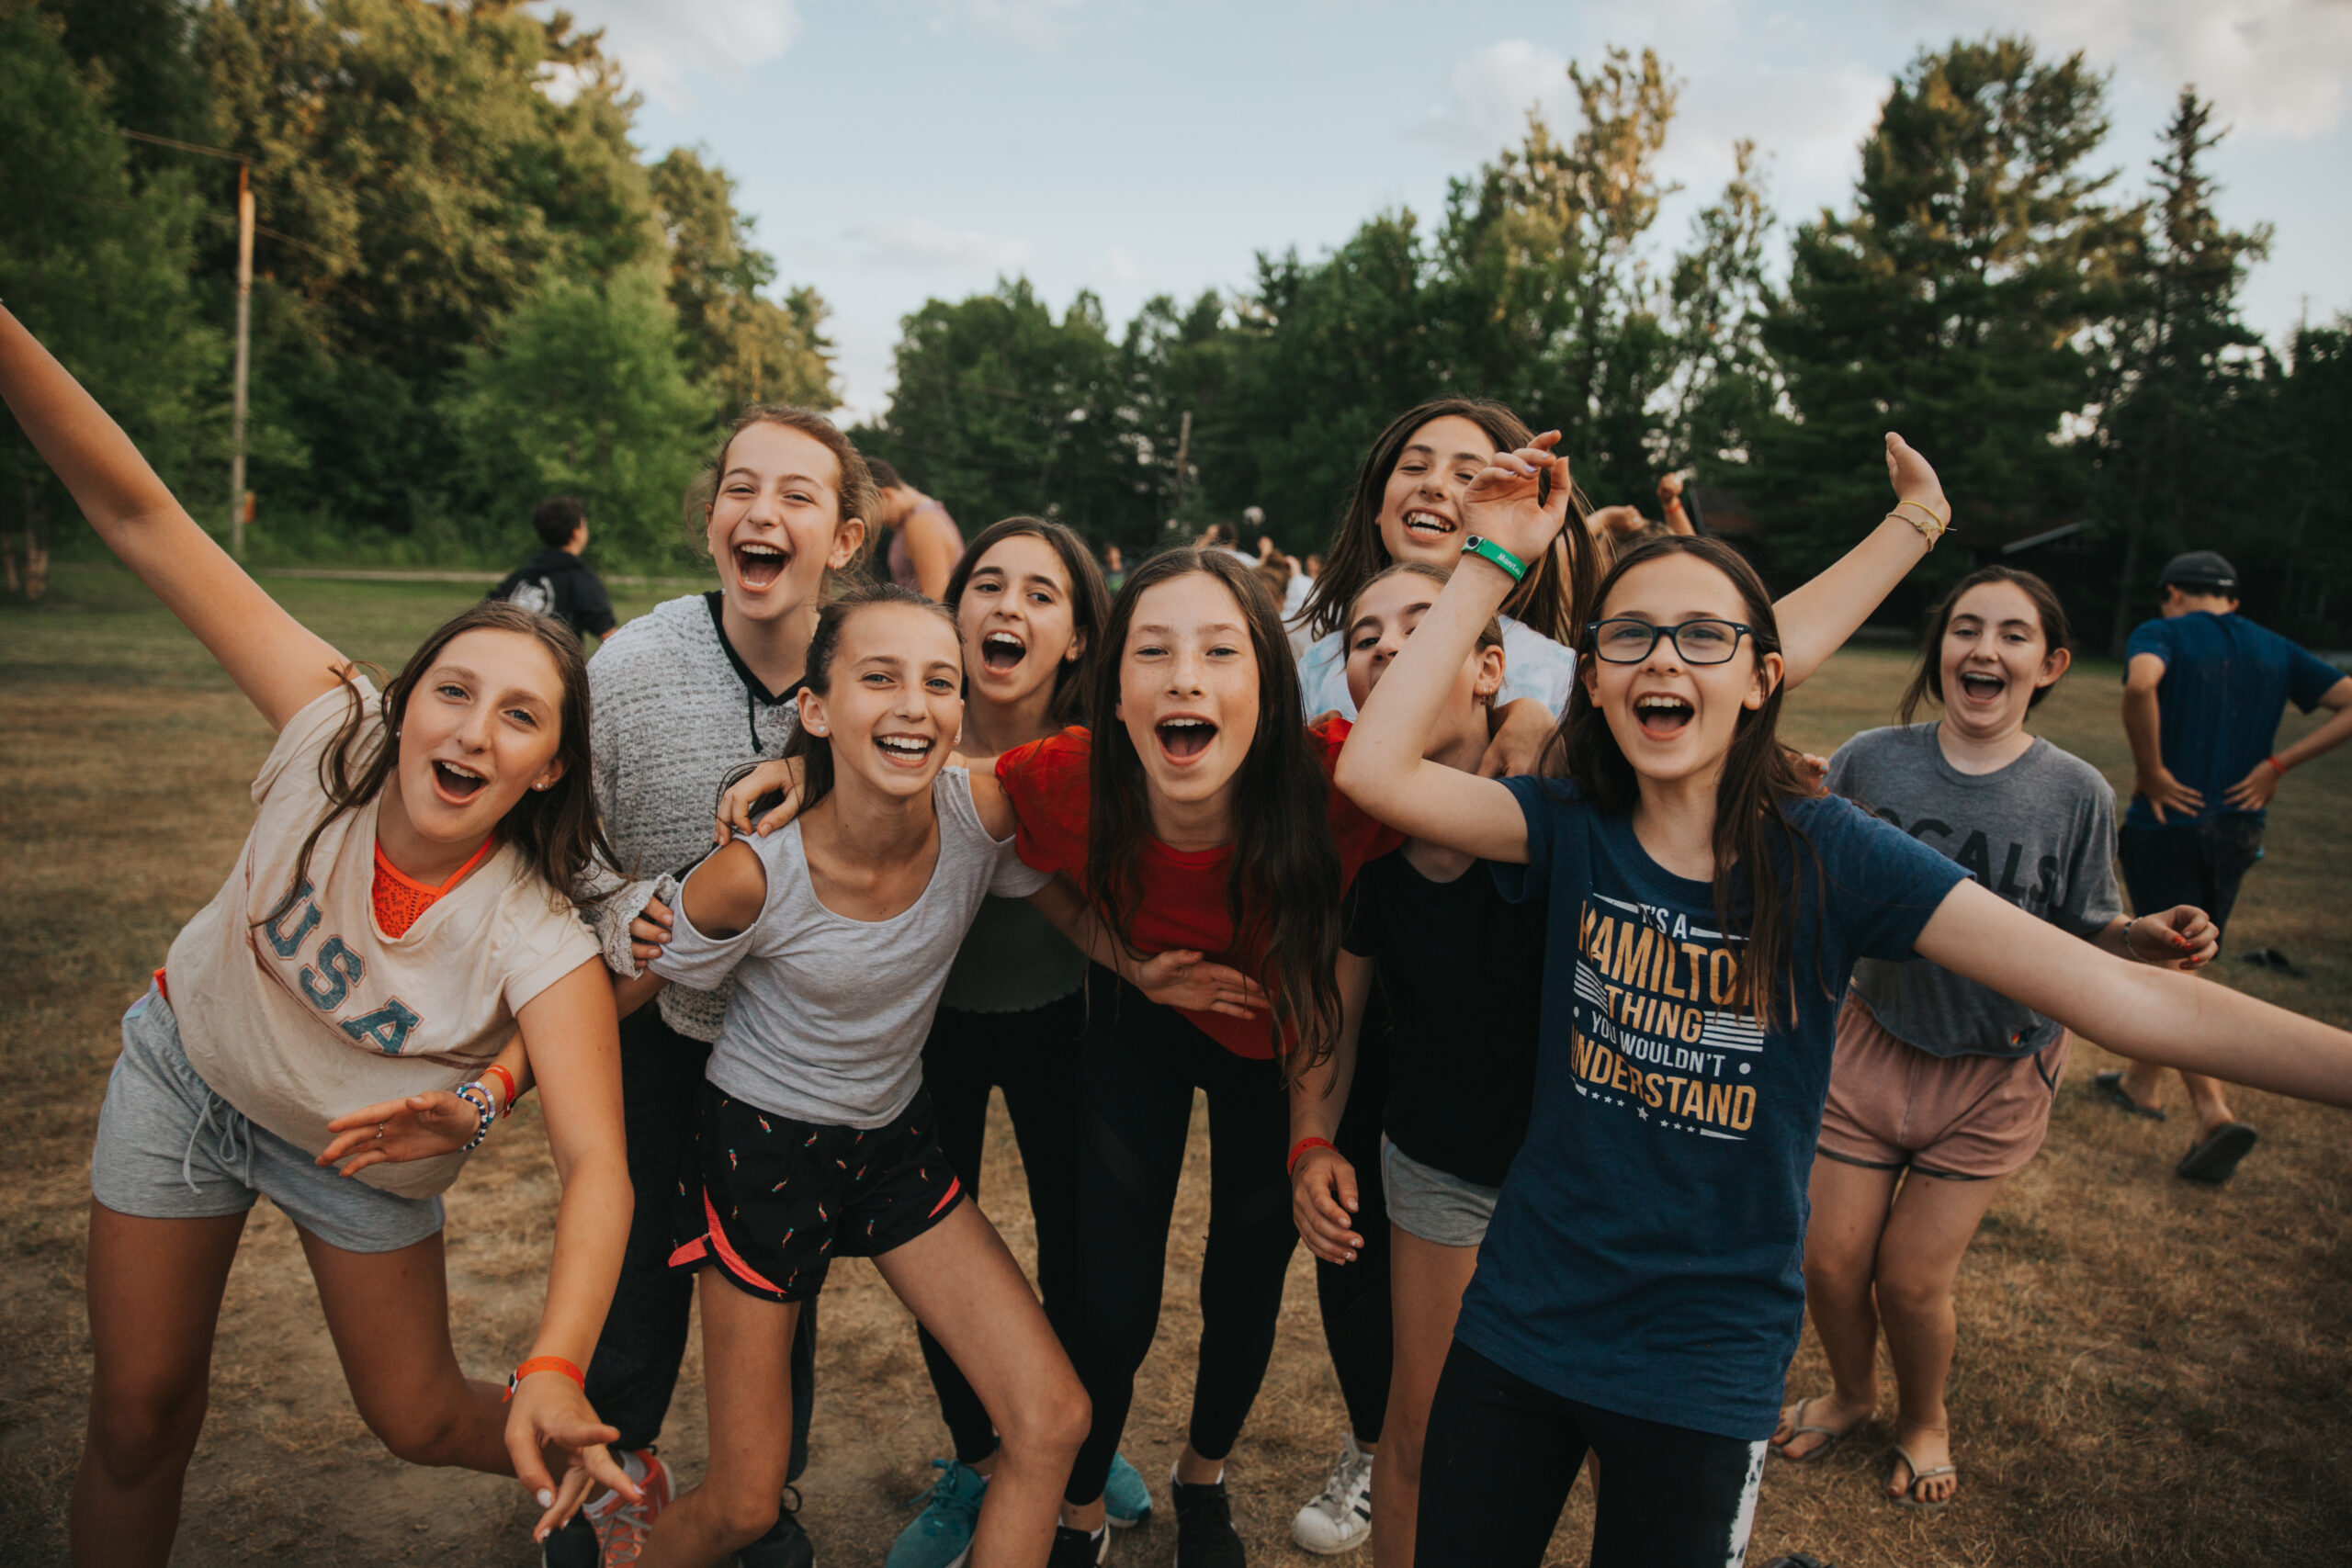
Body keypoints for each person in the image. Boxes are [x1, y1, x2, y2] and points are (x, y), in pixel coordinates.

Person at [1333, 434, 2352, 1568]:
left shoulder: (1832, 855)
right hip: (1524, 1318)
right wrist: (1490, 558)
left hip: (1704, 1355)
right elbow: (1376, 772)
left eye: (1704, 636)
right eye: (1629, 636)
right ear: (1595, 679)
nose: (1663, 657)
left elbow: (2128, 1002)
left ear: (1763, 678)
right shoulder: (1565, 826)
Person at [0, 306, 636, 1564]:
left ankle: (601, 1459)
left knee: (417, 1417)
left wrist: (557, 1361)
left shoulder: (538, 933)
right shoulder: (330, 730)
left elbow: (596, 1164)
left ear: (551, 765)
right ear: (404, 703)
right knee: (137, 1418)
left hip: (358, 1165)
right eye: (453, 691)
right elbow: (139, 514)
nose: (473, 730)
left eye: (520, 716)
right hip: (188, 1079)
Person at [1281, 402, 1956, 1555]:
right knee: (1431, 1422)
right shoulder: (1321, 677)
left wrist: (1912, 527)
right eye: (1414, 464)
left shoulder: (1569, 683)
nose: (1440, 485)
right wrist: (1308, 1128)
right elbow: (1329, 918)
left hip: (1595, 1131)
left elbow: (1754, 643)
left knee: (1607, 1443)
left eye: (1467, 466)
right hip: (1435, 1101)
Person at [722, 548, 1397, 1568]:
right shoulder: (1071, 775)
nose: (1184, 678)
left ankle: (1202, 1480)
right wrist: (804, 766)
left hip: (1274, 1044)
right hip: (1139, 1024)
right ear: (1113, 690)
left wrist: (1311, 1133)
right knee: (1109, 1303)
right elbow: (945, 778)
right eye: (1153, 652)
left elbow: (1487, 769)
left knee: (1244, 1286)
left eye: (1220, 652)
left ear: (1271, 684)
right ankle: (1079, 1511)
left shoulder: (1337, 784)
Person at [623, 586, 1119, 1567]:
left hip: (893, 1139)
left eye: (939, 682)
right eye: (880, 678)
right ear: (815, 708)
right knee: (743, 1505)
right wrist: (487, 1085)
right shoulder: (753, 868)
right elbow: (618, 990)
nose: (913, 705)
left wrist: (1149, 968)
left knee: (1053, 1418)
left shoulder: (979, 814)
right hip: (761, 1153)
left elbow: (1105, 805)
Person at [1771, 566, 2215, 1512]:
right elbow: (1809, 860)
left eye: (2013, 634)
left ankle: (1923, 1418)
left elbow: (2087, 922)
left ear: (2050, 664)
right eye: (1965, 628)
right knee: (1829, 1261)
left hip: (1996, 1070)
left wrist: (2140, 936)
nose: (1984, 649)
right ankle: (1852, 1394)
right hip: (1870, 1043)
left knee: (1909, 1280)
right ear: (1940, 650)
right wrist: (1791, 794)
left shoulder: (2075, 790)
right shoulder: (1871, 759)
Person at [546, 405, 878, 1568]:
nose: (761, 512)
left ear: (843, 538)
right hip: (648, 1028)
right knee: (631, 1269)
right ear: (711, 521)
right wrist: (615, 908)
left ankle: (760, 1496)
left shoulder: (867, 673)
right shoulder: (631, 669)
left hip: (794, 1046)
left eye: (797, 494)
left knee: (777, 1283)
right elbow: (562, 841)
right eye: (742, 487)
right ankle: (609, 1480)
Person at [880, 521, 1155, 1568]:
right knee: (940, 1258)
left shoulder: (1106, 752)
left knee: (1079, 1252)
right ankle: (979, 1459)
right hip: (928, 1032)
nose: (1008, 606)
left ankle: (1077, 1448)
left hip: (1067, 1024)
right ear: (952, 613)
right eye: (986, 584)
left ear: (1079, 637)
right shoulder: (904, 730)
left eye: (1041, 594)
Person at [2099, 549, 2352, 1183]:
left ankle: (2213, 1113)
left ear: (2172, 594)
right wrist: (2277, 766)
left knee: (2171, 959)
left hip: (2168, 823)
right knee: (2189, 956)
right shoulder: (2274, 645)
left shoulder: (2162, 632)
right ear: (2233, 600)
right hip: (2239, 828)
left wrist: (2151, 769)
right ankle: (2139, 1084)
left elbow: (2140, 683)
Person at [491, 496, 617, 646]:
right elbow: (608, 634)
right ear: (577, 532)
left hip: (511, 654)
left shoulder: (524, 574)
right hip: (553, 658)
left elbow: (489, 610)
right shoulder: (579, 576)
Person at [869, 457, 966, 600]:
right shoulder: (915, 519)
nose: (874, 523)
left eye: (870, 512)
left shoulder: (922, 522)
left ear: (886, 495)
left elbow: (936, 599)